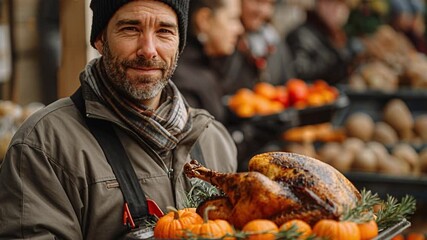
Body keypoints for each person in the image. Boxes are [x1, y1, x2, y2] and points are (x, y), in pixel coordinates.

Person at [0, 0, 237, 239]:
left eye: (164, 31)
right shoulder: (44, 145)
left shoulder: (213, 140)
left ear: (180, 43)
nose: (149, 50)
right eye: (131, 29)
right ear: (100, 40)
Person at [172, 0, 244, 124]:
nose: (239, 29)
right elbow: (197, 141)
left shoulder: (208, 64)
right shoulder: (184, 77)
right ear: (204, 20)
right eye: (233, 19)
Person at [221, 0, 295, 94]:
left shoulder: (273, 40)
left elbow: (289, 85)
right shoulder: (223, 44)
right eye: (258, 1)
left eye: (271, 4)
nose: (266, 11)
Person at [285, 0, 361, 85]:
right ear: (320, 4)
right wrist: (336, 60)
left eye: (345, 6)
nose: (340, 11)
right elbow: (299, 72)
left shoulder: (336, 35)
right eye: (335, 4)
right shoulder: (302, 35)